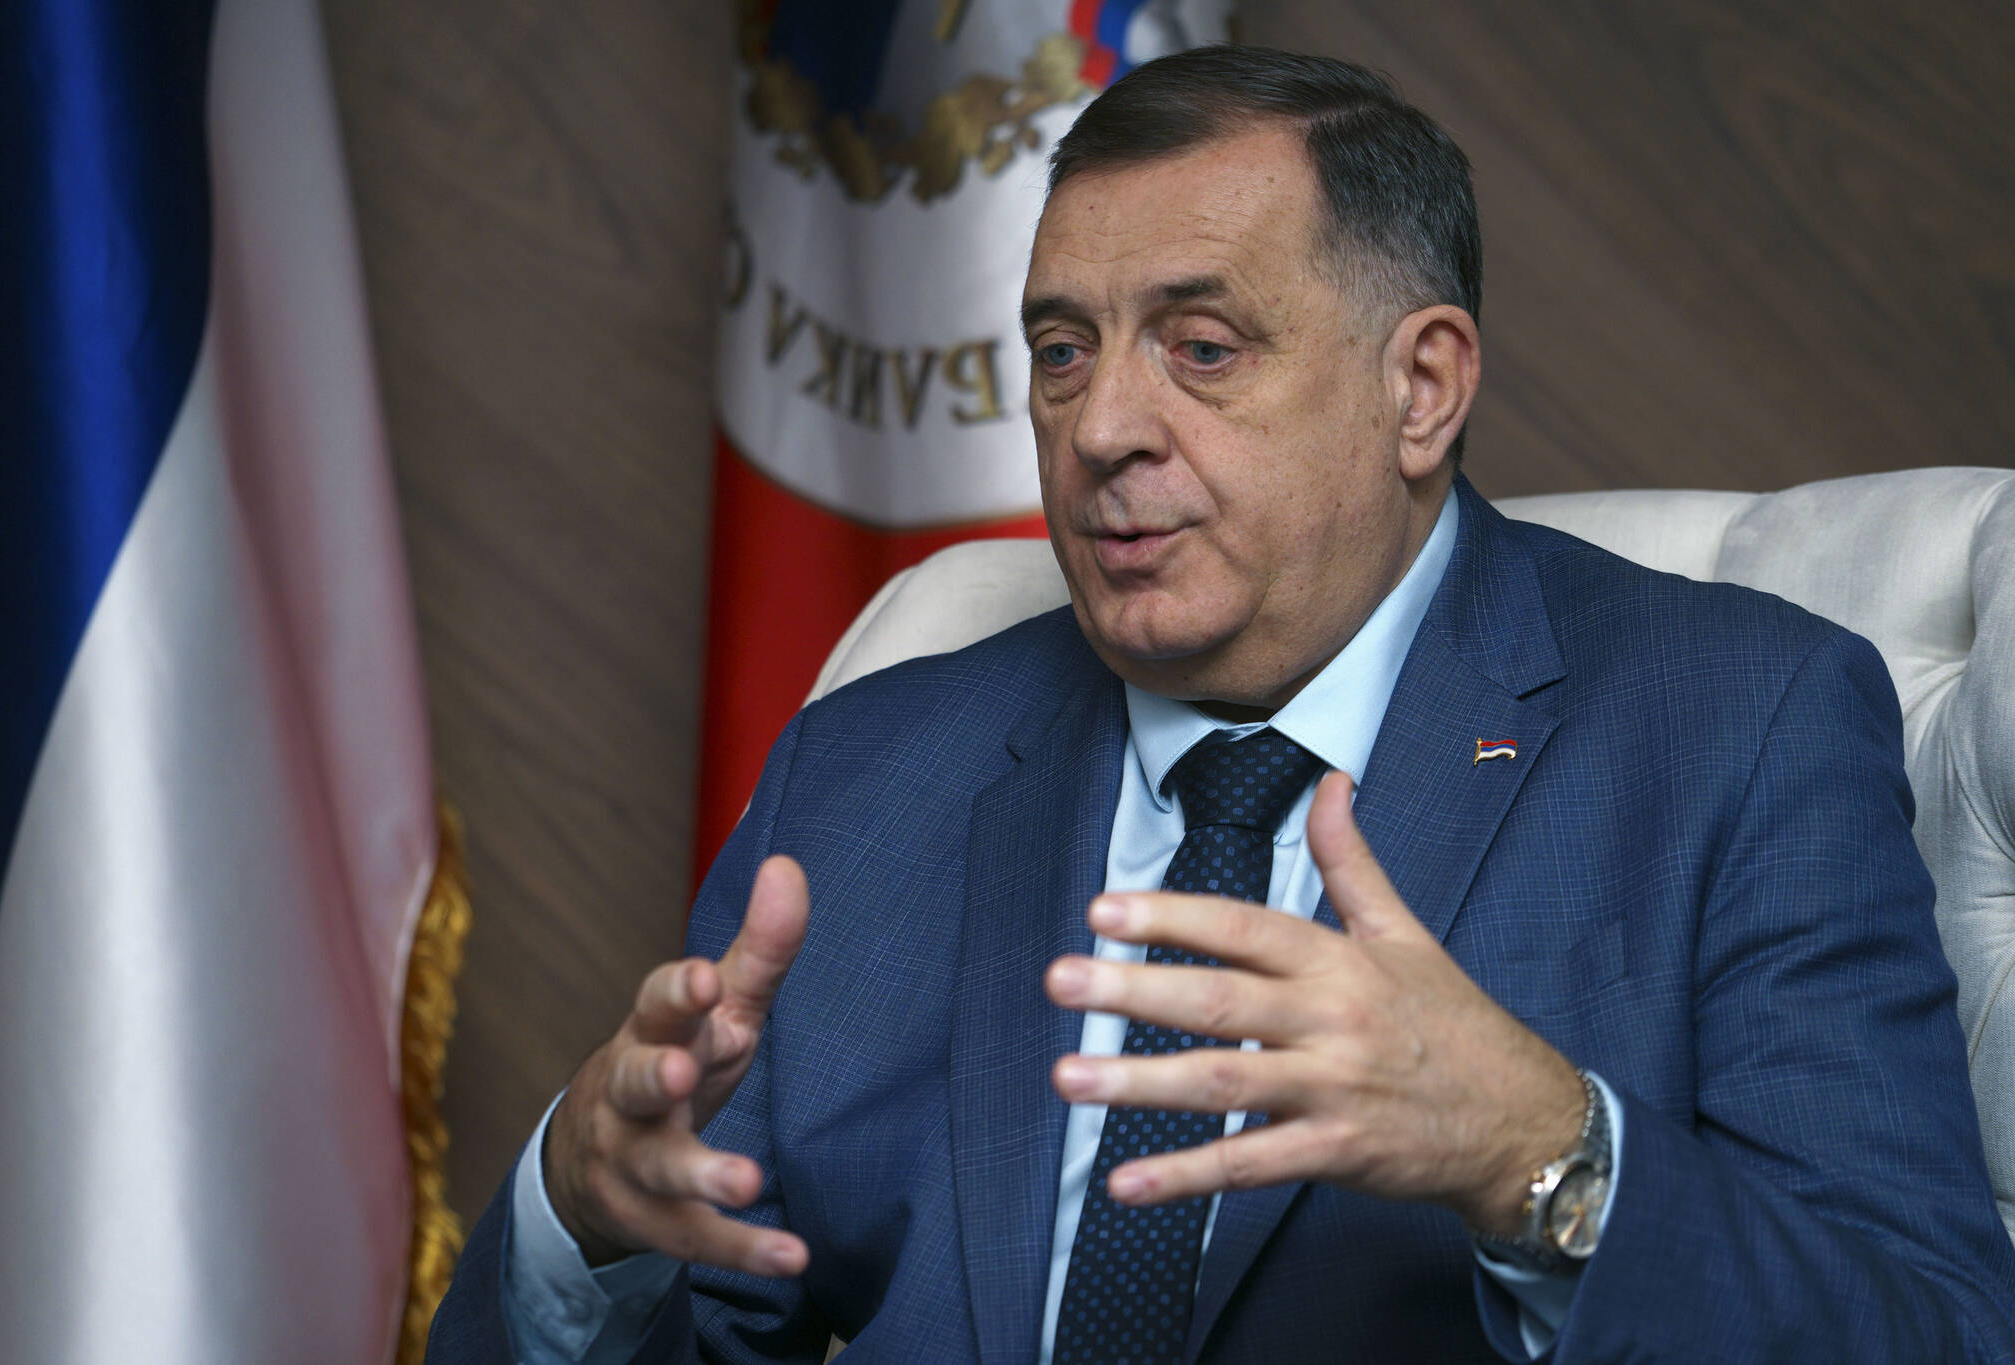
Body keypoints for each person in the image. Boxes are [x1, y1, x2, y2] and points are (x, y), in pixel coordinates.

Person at [429, 47, 2015, 1363]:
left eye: (1201, 347)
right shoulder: (864, 772)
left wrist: (1540, 1149)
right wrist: (584, 1219)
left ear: (1422, 387)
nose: (1100, 426)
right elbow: (703, 1317)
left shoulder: (1740, 722)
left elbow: (1931, 1328)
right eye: (1063, 351)